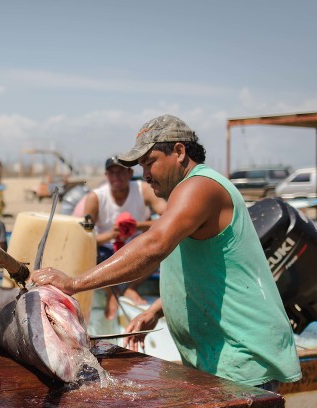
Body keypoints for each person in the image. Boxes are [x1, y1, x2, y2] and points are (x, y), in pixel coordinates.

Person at [31, 114, 301, 391]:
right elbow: (206, 271)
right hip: (217, 356)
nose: (146, 174)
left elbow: (154, 244)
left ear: (179, 152)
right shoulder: (184, 196)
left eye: (150, 163)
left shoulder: (200, 186)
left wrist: (75, 283)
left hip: (242, 355)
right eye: (141, 166)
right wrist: (157, 310)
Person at [84, 156, 167, 318]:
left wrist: (137, 226)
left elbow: (170, 218)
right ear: (106, 176)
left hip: (137, 245)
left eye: (121, 172)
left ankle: (132, 288)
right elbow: (84, 238)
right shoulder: (95, 197)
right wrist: (112, 235)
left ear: (130, 173)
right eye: (112, 173)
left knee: (162, 248)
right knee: (87, 253)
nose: (116, 177)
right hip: (106, 248)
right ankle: (111, 292)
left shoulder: (143, 190)